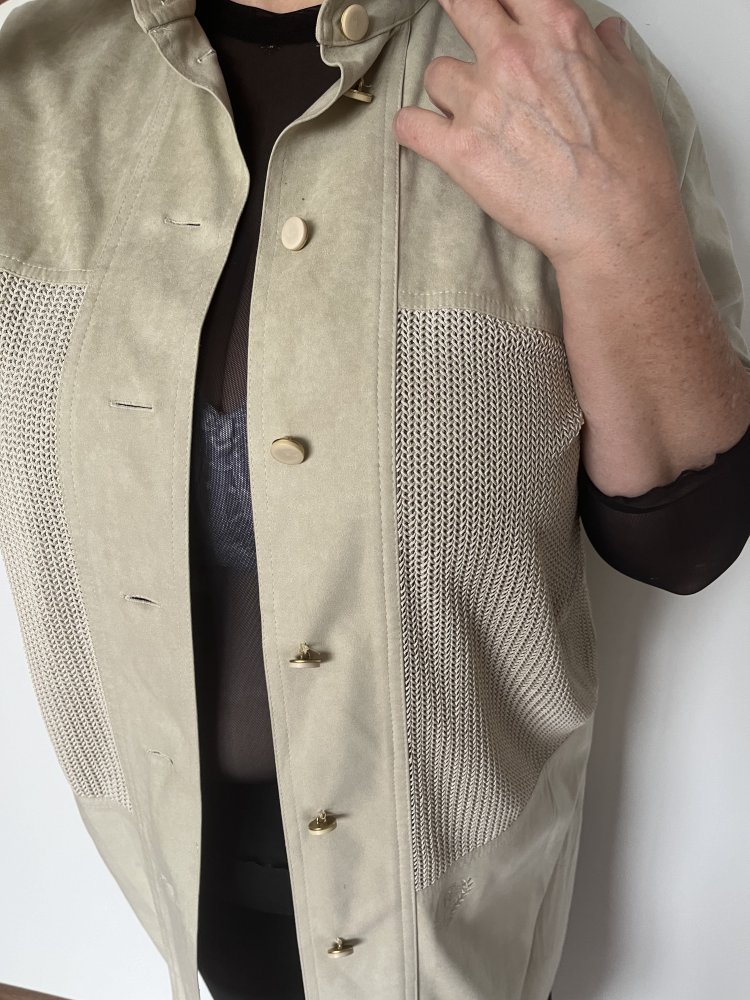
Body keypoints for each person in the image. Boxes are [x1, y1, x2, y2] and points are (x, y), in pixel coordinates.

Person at [0, 0, 748, 998]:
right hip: (169, 886)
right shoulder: (33, 78)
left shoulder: (557, 67)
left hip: (457, 912)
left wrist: (623, 235)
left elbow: (685, 543)